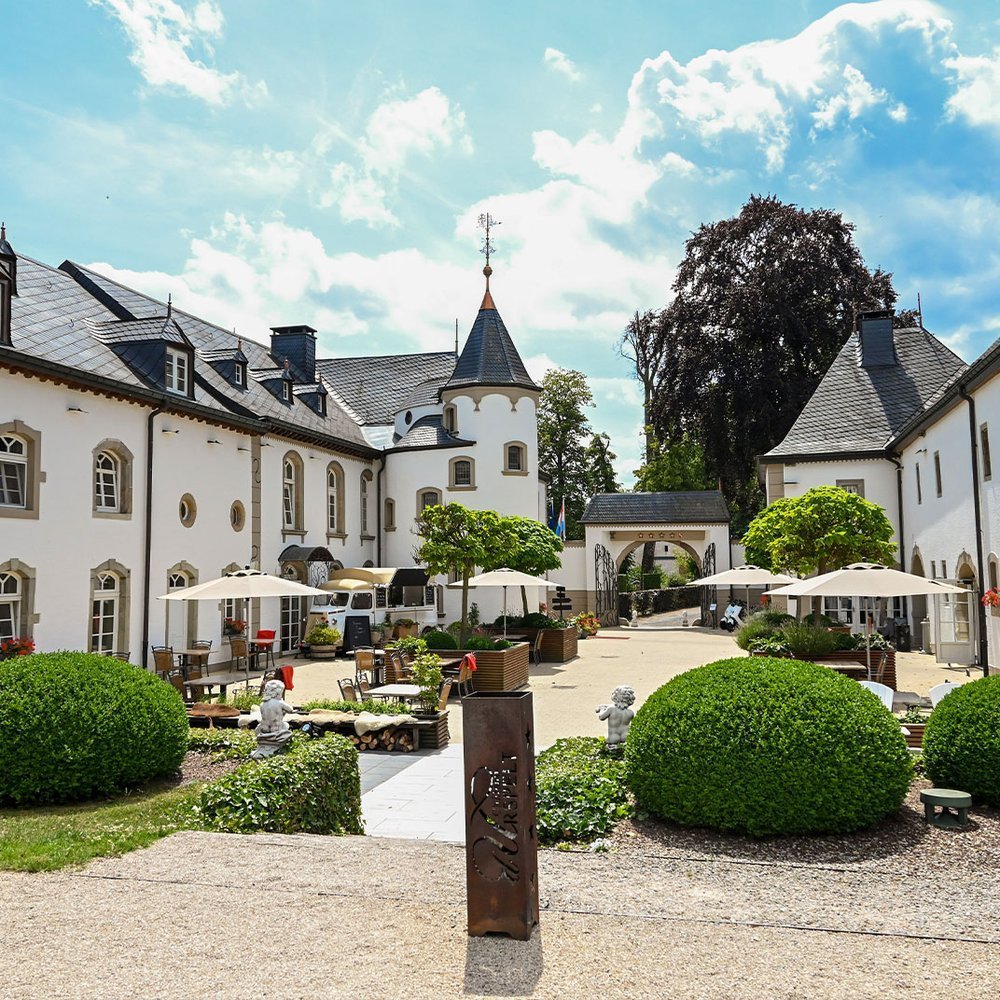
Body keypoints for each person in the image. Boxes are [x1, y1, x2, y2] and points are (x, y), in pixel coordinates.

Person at [252, 679, 295, 758]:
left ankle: (263, 746)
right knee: (286, 725)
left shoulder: (262, 704)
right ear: (278, 693)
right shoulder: (279, 703)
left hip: (263, 730)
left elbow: (266, 716)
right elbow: (290, 710)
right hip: (275, 730)